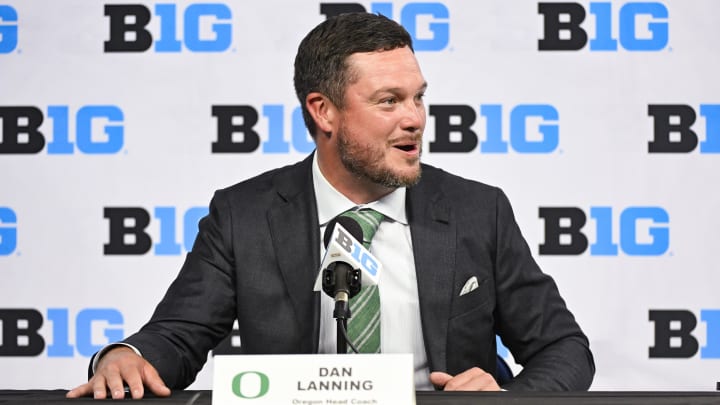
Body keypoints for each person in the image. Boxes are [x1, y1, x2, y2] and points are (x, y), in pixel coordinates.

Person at [67, 12, 594, 400]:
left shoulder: (478, 211)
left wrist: (505, 398)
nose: (414, 119)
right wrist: (125, 357)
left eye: (418, 97)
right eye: (389, 101)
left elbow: (565, 349)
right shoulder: (244, 215)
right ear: (323, 111)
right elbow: (177, 335)